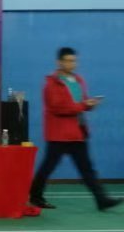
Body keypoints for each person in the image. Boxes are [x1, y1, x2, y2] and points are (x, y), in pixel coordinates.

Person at [29, 47, 121, 211]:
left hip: (78, 132)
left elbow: (81, 103)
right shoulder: (51, 84)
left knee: (87, 169)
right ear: (59, 62)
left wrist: (90, 104)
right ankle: (35, 196)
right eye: (69, 61)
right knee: (48, 167)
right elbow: (58, 108)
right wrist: (84, 105)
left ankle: (101, 200)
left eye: (74, 61)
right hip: (59, 135)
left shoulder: (78, 80)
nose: (72, 64)